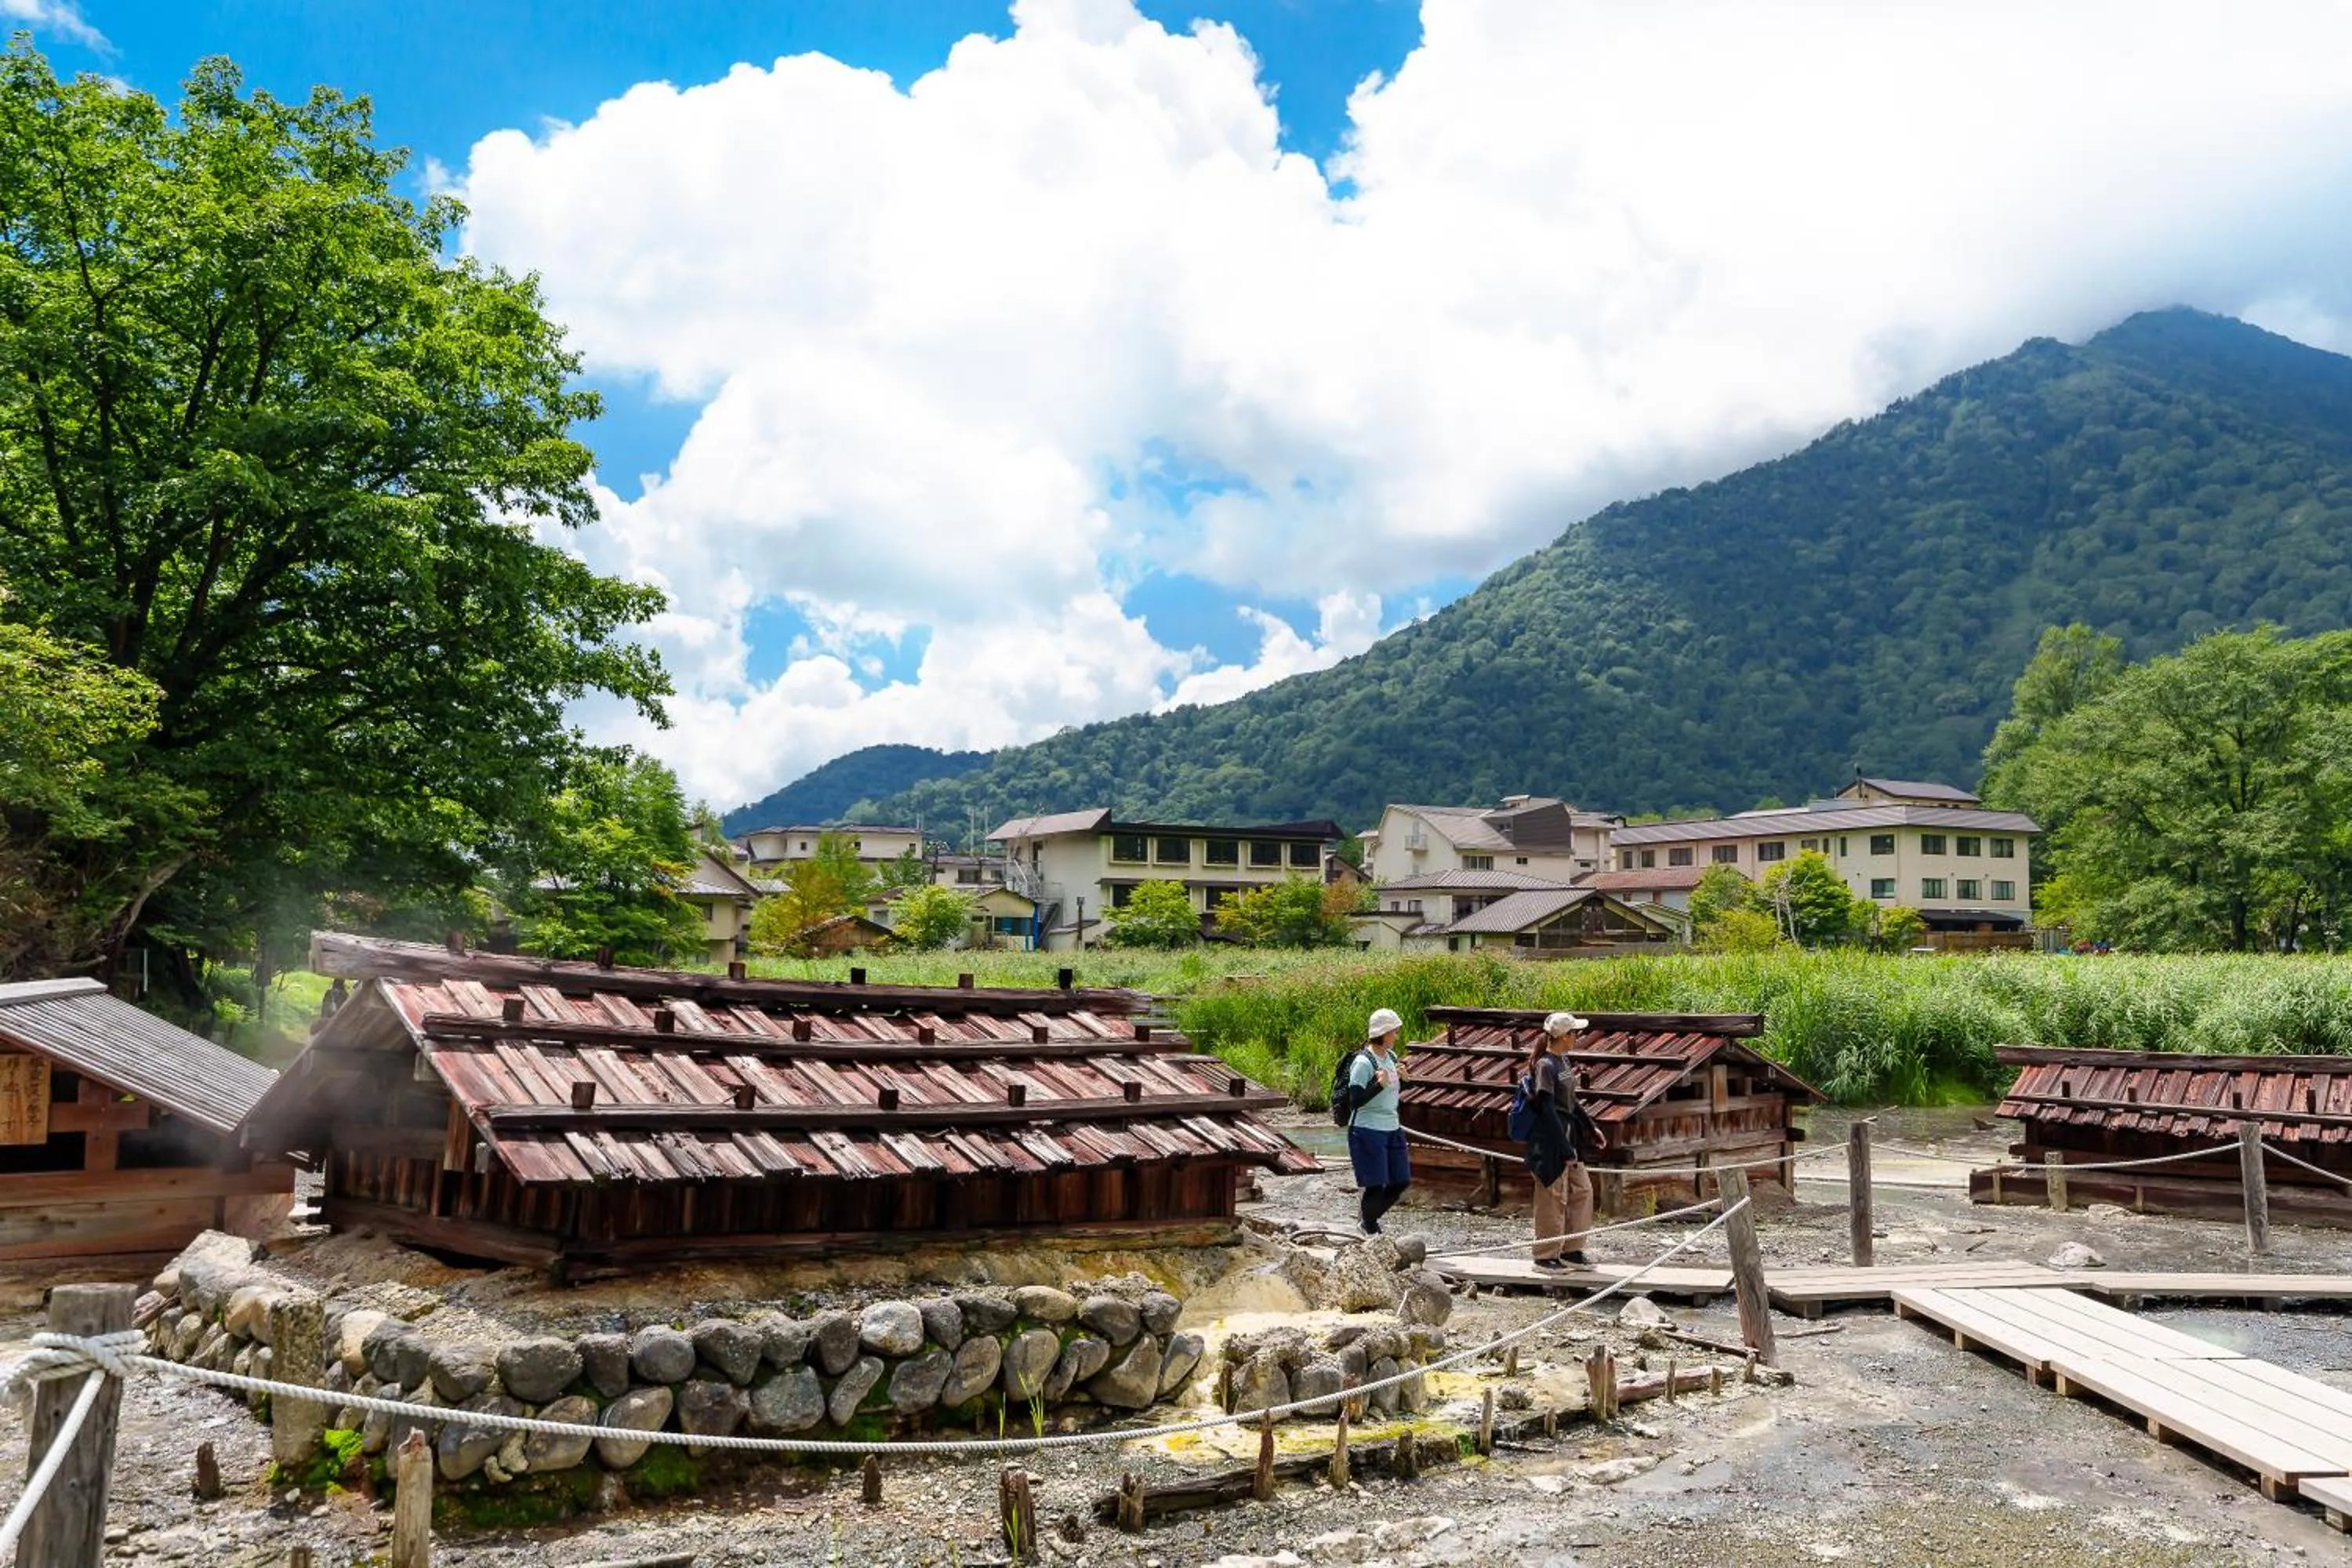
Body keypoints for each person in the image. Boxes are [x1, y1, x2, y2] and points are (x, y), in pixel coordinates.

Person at [1524, 1011, 1606, 1269]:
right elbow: (1547, 1110)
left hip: (1570, 1140)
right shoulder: (1545, 1066)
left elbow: (1572, 1103)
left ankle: (1571, 1250)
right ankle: (1545, 1254)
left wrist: (1591, 1128)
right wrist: (1563, 1146)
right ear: (1564, 1036)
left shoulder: (1564, 1063)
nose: (1577, 1037)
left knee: (1582, 1191)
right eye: (1574, 1033)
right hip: (1550, 1144)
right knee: (1553, 1198)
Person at [1345, 1007, 1412, 1235]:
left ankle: (1367, 1220)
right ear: (1382, 1033)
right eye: (1394, 1032)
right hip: (1366, 1129)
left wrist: (1405, 1080)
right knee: (1376, 1184)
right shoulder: (1363, 1063)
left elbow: (1391, 1092)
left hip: (1392, 1127)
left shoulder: (1391, 1058)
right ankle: (1369, 1226)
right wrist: (1377, 1086)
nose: (1396, 1037)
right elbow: (1355, 1101)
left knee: (1401, 1181)